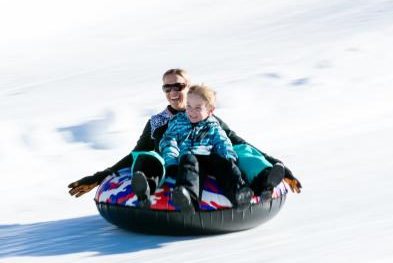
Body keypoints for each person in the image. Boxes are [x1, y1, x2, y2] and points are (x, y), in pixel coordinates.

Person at [67, 69, 301, 200]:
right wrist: (100, 176)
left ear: (188, 88)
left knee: (240, 153)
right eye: (166, 88)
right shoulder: (157, 122)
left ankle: (263, 179)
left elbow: (239, 142)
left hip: (208, 163)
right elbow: (135, 153)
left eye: (177, 86)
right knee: (148, 157)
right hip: (174, 165)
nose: (172, 92)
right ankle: (146, 189)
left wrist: (278, 164)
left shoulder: (207, 117)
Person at [148, 84, 253, 212]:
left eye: (198, 108)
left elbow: (223, 143)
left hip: (209, 158)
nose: (192, 111)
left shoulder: (213, 126)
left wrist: (229, 158)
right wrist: (171, 161)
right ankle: (187, 197)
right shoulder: (177, 122)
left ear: (210, 110)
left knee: (223, 162)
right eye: (189, 106)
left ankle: (238, 194)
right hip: (189, 157)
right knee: (188, 162)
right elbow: (169, 141)